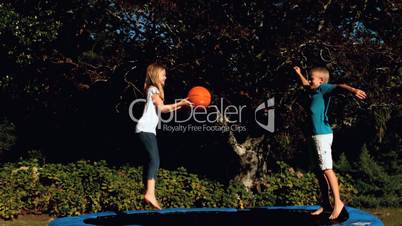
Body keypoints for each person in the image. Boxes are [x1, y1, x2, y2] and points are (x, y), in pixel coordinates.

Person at [293, 66, 367, 220]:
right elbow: (305, 84)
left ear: (321, 81)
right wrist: (299, 74)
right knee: (318, 171)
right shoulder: (312, 91)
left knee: (327, 169)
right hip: (313, 136)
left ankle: (338, 203)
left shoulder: (323, 89)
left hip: (322, 135)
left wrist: (353, 91)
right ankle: (326, 204)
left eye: (312, 77)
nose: (309, 80)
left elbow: (339, 86)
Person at [136, 63, 191, 209]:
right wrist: (180, 103)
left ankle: (147, 191)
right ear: (155, 75)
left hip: (145, 130)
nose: (165, 77)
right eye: (163, 74)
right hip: (145, 129)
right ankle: (150, 193)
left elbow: (162, 108)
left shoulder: (151, 90)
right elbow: (162, 108)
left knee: (150, 160)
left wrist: (181, 104)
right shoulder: (153, 89)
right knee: (155, 160)